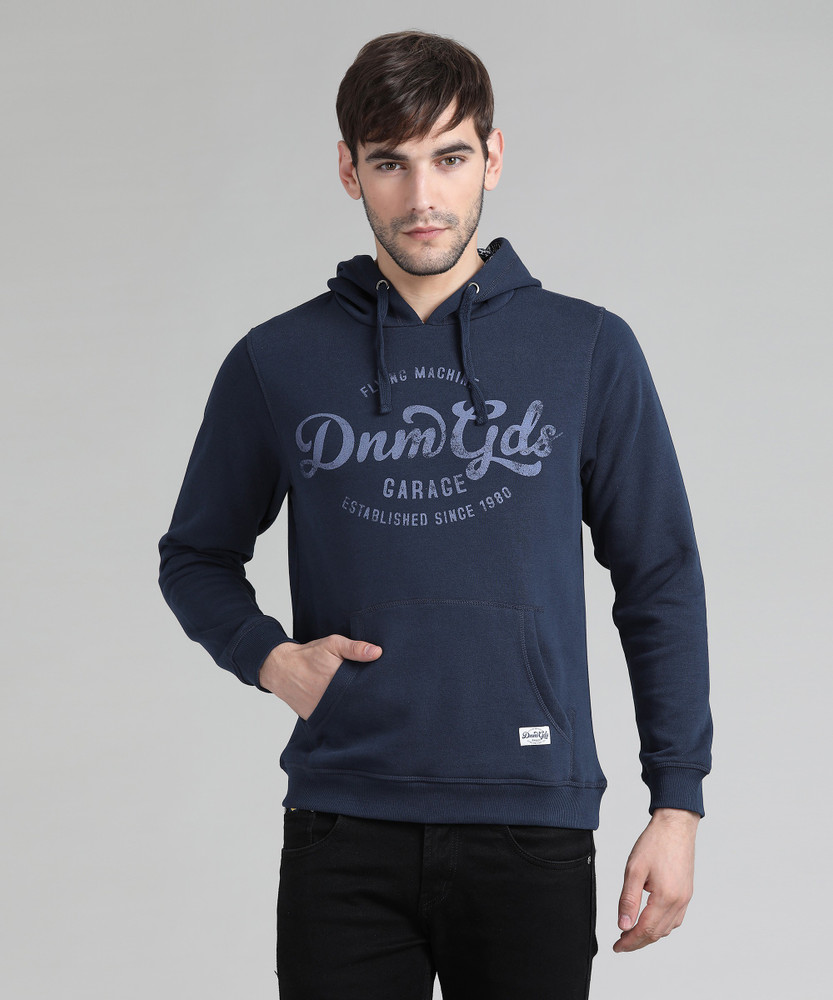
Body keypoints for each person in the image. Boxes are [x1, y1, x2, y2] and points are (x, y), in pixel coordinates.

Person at [158, 29, 712, 1000]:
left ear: (491, 157)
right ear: (348, 170)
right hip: (343, 829)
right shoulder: (277, 361)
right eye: (390, 163)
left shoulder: (586, 350)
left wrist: (677, 803)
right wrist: (271, 658)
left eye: (449, 158)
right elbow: (195, 556)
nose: (421, 197)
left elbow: (657, 575)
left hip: (531, 823)